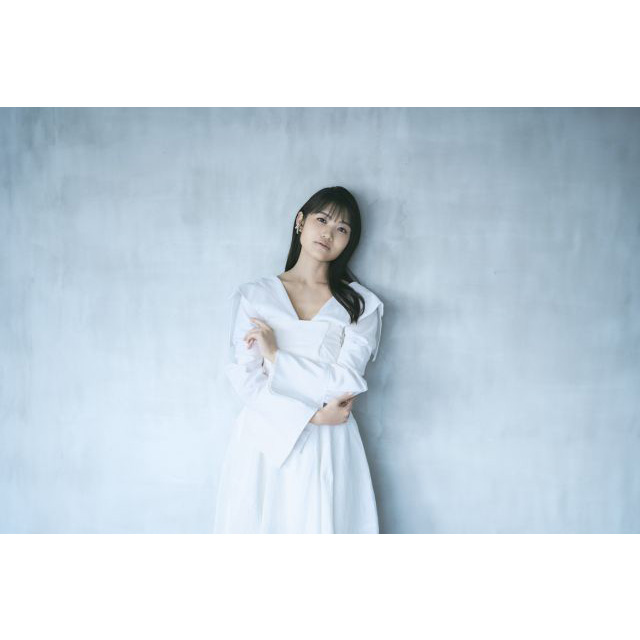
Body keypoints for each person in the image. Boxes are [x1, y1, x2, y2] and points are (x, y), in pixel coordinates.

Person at [213, 186, 384, 533]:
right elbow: (246, 381)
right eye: (322, 220)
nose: (328, 233)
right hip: (265, 438)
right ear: (300, 222)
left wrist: (276, 356)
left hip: (329, 442)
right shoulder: (255, 296)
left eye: (341, 228)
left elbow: (345, 382)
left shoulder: (361, 305)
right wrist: (313, 417)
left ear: (349, 241)